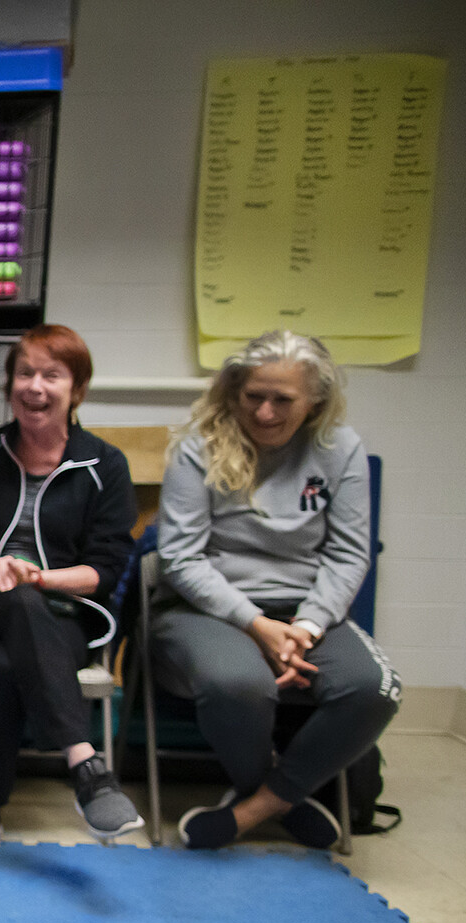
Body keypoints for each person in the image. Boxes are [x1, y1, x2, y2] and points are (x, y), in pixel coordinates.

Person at [154, 330, 399, 851]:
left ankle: (258, 807)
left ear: (314, 402)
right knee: (239, 683)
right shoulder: (199, 446)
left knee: (374, 687)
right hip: (209, 608)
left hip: (306, 610)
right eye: (253, 397)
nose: (264, 413)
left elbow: (349, 553)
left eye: (282, 399)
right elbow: (179, 557)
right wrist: (256, 624)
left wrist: (307, 627)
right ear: (234, 391)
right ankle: (281, 798)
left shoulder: (341, 448)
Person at [0, 325, 142, 855]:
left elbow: (108, 568)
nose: (35, 387)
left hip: (66, 617)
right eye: (25, 373)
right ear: (9, 384)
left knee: (7, 662)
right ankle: (85, 763)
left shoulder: (105, 466)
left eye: (52, 375)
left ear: (77, 390)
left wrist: (39, 578)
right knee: (14, 604)